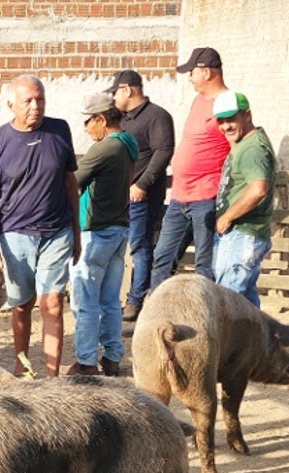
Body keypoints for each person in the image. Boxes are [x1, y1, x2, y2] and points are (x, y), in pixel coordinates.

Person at [0, 75, 81, 378]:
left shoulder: (59, 131)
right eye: (28, 101)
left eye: (40, 99)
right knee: (21, 305)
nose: (35, 106)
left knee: (52, 303)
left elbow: (70, 182)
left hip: (56, 231)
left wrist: (76, 232)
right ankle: (21, 363)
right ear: (11, 104)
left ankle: (52, 376)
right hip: (15, 235)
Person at [147, 46, 230, 292]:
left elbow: (235, 147)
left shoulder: (226, 103)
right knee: (162, 258)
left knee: (205, 264)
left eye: (192, 72)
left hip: (206, 195)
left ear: (206, 72)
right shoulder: (198, 100)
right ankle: (158, 315)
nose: (190, 78)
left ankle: (206, 318)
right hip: (180, 196)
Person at [67, 93, 138, 377]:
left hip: (95, 232)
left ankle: (85, 362)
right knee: (110, 301)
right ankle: (112, 358)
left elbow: (73, 182)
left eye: (88, 121)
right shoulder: (128, 144)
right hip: (119, 229)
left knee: (85, 302)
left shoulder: (104, 148)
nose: (85, 128)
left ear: (101, 119)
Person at [106, 69, 174, 322]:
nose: (113, 99)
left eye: (115, 93)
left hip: (140, 196)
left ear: (127, 90)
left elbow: (163, 151)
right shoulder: (125, 119)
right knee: (124, 246)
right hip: (122, 196)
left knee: (140, 246)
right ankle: (128, 299)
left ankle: (136, 301)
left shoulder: (156, 116)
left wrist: (142, 184)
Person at [212, 91, 277, 307]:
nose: (225, 126)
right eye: (221, 121)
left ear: (247, 115)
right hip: (243, 235)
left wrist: (226, 218)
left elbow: (258, 189)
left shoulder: (252, 148)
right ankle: (259, 341)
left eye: (231, 119)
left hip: (242, 234)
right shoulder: (246, 143)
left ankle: (231, 343)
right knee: (245, 303)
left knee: (228, 303)